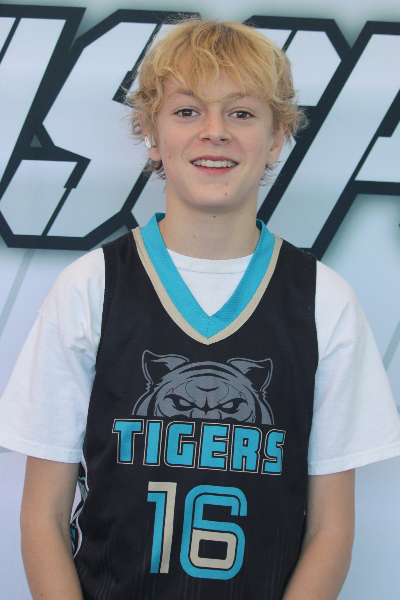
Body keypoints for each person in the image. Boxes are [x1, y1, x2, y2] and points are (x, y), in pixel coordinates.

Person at [0, 18, 399, 600]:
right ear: (152, 133)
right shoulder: (90, 287)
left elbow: (330, 528)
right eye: (187, 111)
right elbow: (43, 514)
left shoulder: (324, 300)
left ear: (277, 137)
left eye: (241, 112)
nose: (215, 132)